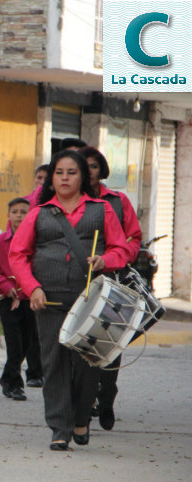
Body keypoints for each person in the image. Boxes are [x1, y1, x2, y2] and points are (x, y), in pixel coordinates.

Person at [9, 150, 129, 451]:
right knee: (54, 364)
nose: (64, 177)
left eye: (71, 172)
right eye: (59, 172)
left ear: (83, 177)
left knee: (89, 364)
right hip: (47, 298)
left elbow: (121, 249)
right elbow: (18, 254)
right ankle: (59, 428)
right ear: (52, 178)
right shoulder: (38, 212)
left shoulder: (102, 210)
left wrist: (105, 260)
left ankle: (80, 417)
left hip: (90, 298)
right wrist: (32, 288)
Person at [80, 146, 142, 431]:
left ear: (100, 169)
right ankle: (83, 402)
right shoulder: (68, 202)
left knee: (110, 345)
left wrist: (116, 258)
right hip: (78, 281)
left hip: (112, 280)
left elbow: (133, 238)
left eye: (94, 166)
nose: (89, 171)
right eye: (85, 166)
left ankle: (107, 397)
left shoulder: (118, 201)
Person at [0, 197, 43, 402]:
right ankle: (15, 384)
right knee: (14, 343)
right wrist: (5, 286)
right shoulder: (0, 241)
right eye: (15, 211)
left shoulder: (37, 241)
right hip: (8, 299)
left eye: (23, 211)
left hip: (30, 299)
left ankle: (6, 378)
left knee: (27, 342)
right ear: (8, 215)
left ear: (30, 215)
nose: (19, 215)